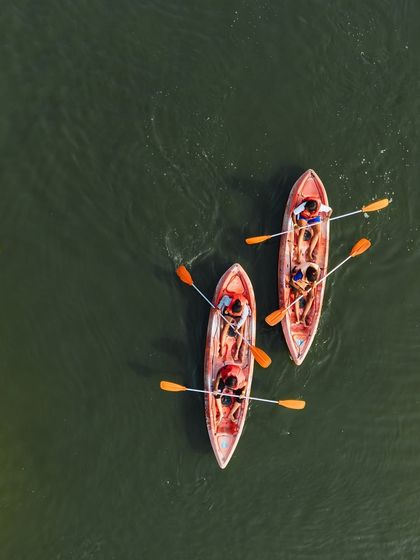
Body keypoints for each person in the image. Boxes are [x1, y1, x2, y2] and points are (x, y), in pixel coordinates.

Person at [292, 198, 332, 263]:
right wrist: (295, 224)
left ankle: (309, 253)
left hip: (313, 217)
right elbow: (293, 213)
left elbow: (330, 210)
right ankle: (298, 254)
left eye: (307, 209)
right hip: (303, 216)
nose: (305, 208)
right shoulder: (303, 206)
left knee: (317, 232)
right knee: (302, 230)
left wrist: (327, 217)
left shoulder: (320, 207)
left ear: (313, 211)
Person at [217, 293, 250, 360]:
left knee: (241, 329)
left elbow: (243, 319)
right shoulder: (228, 301)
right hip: (228, 314)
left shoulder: (245, 309)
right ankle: (221, 348)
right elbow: (224, 298)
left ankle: (237, 350)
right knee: (226, 325)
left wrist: (237, 326)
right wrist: (218, 307)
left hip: (238, 317)